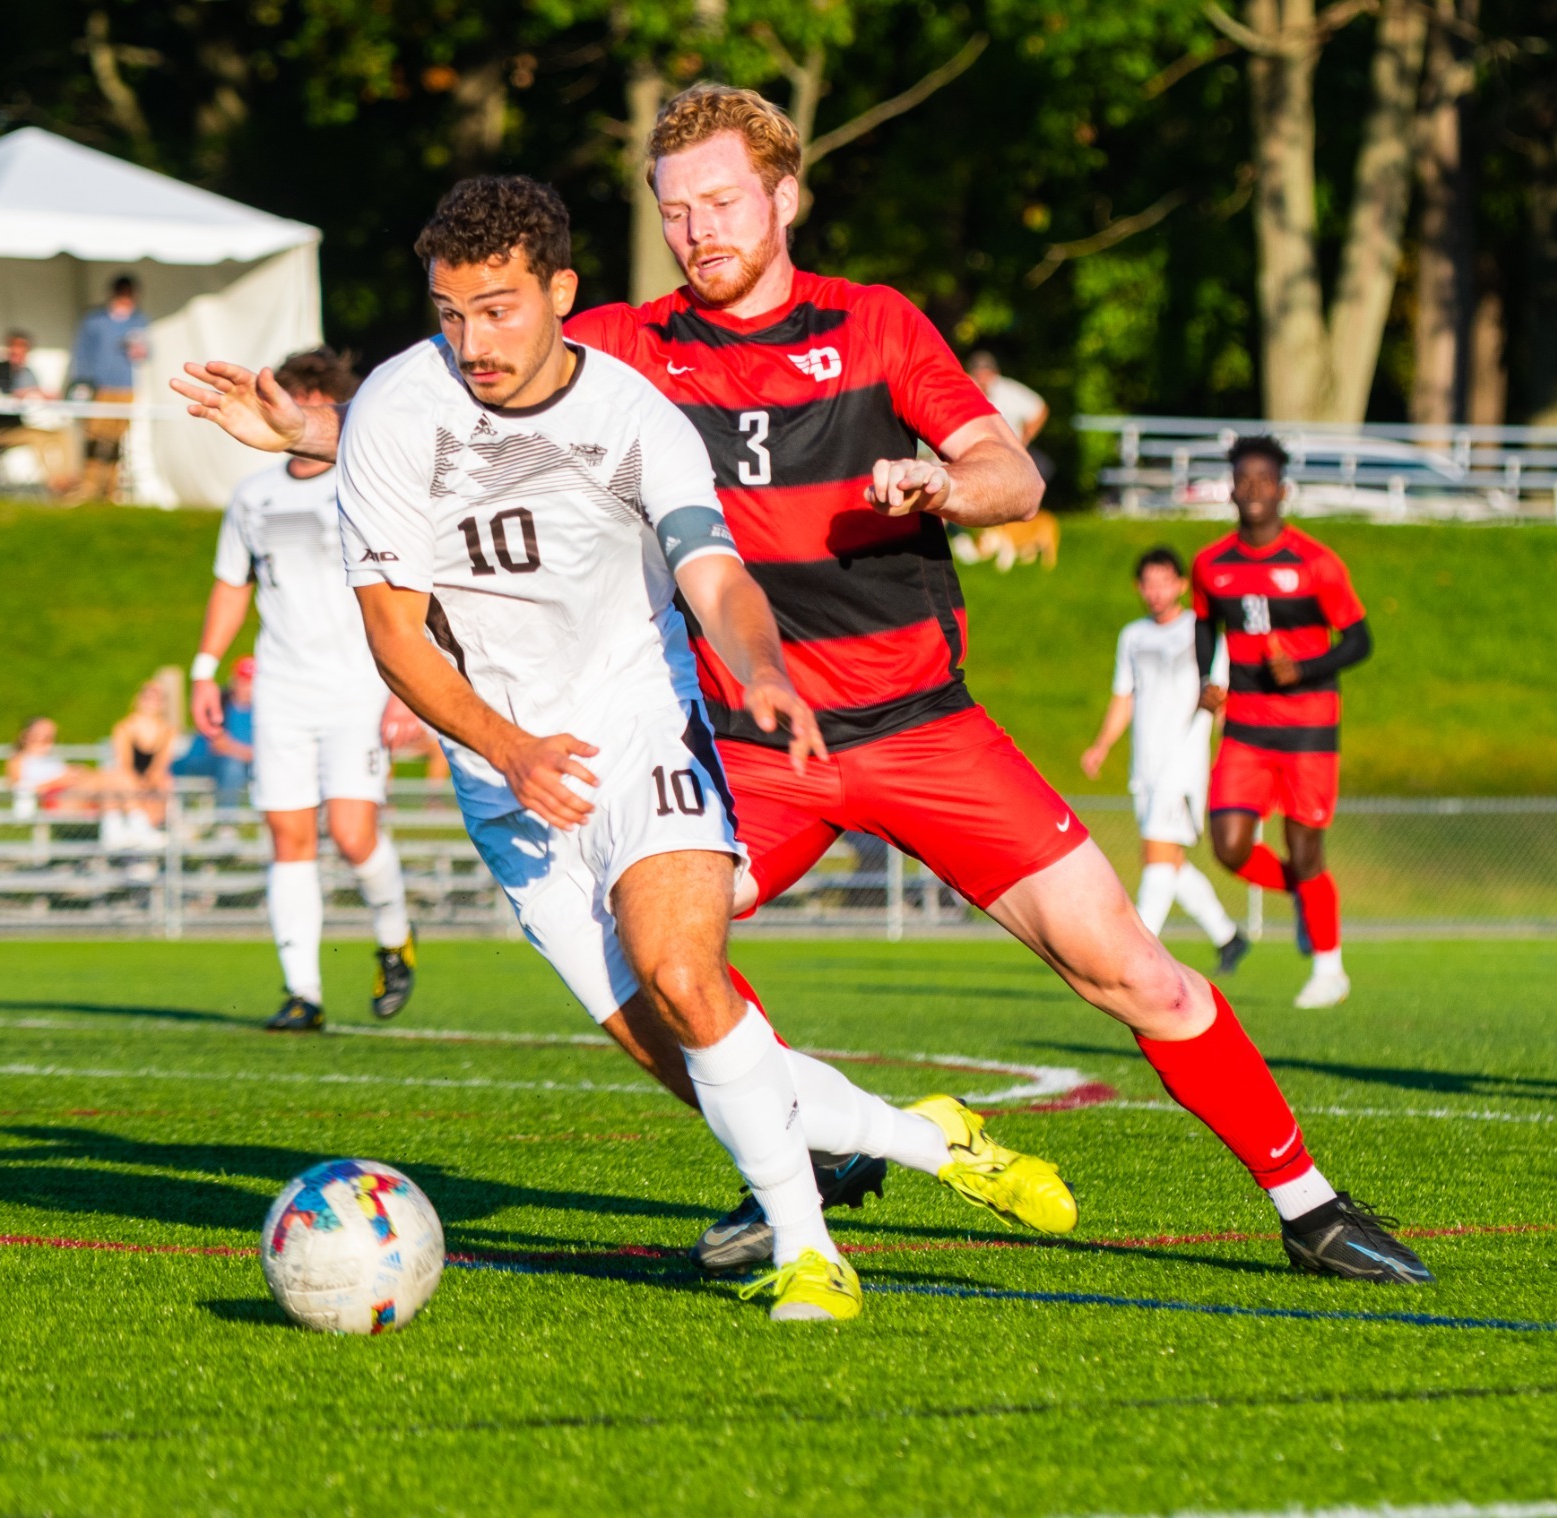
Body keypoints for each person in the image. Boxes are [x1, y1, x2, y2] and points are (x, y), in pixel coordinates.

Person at [172, 94, 1433, 1289]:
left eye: (719, 202)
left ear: (785, 199)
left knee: (1131, 972)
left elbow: (1011, 473)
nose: (694, 231)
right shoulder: (628, 344)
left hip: (919, 729)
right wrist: (299, 428)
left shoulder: (877, 324)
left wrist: (942, 484)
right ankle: (801, 1154)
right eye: (672, 209)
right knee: (656, 978)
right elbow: (470, 402)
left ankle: (1306, 1204)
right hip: (747, 746)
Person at [194, 174, 1089, 1325]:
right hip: (503, 777)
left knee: (683, 974)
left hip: (636, 732)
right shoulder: (394, 414)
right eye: (450, 311)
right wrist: (508, 750)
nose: (474, 340)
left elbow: (712, 572)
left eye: (501, 308)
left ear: (562, 292)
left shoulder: (630, 416)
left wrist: (760, 666)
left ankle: (808, 1250)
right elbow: (392, 635)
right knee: (686, 1050)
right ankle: (929, 1139)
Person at [191, 346, 419, 1030]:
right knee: (288, 837)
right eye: (292, 398)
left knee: (352, 836)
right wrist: (206, 666)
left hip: (358, 685)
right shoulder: (254, 495)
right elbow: (233, 583)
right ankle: (303, 992)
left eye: (318, 401)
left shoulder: (365, 479)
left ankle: (394, 936)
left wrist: (408, 685)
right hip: (282, 690)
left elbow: (410, 583)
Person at [1196, 435, 1373, 1011]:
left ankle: (1329, 969)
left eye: (1263, 480)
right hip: (1245, 725)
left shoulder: (1315, 562)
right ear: (1230, 489)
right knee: (1227, 847)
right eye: (1242, 479)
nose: (1252, 489)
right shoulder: (1211, 564)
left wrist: (1306, 669)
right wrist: (1207, 679)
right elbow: (1205, 627)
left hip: (1309, 727)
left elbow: (1361, 641)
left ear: (1282, 490)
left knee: (1304, 849)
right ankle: (1307, 897)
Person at [1082, 548, 1248, 969]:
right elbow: (1125, 696)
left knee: (1157, 854)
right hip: (1146, 765)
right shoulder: (1132, 636)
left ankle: (1138, 952)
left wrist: (1232, 756)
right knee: (1168, 859)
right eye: (1148, 583)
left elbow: (1221, 695)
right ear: (1140, 588)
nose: (1156, 591)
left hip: (1184, 758)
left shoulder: (1201, 630)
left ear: (1180, 584)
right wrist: (1102, 745)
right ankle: (1228, 936)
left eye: (1164, 581)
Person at [68, 276, 150, 503]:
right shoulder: (94, 320)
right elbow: (81, 354)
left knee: (116, 439)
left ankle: (111, 490)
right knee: (94, 436)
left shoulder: (138, 320)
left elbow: (148, 353)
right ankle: (89, 486)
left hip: (125, 388)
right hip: (99, 387)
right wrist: (83, 384)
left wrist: (140, 351)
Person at [0, 330, 75, 494]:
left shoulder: (27, 372)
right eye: (14, 350)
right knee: (36, 437)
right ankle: (54, 483)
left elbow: (34, 395)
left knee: (62, 434)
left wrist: (47, 396)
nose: (17, 355)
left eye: (22, 351)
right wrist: (23, 393)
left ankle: (67, 479)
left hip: (20, 428)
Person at [172, 656, 257, 812]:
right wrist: (254, 754)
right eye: (245, 681)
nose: (249, 688)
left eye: (253, 682)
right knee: (233, 766)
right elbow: (218, 745)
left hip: (247, 766)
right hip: (203, 761)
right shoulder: (219, 702)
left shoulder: (263, 710)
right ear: (234, 680)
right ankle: (225, 823)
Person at [107, 681, 175, 849]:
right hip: (128, 780)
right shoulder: (124, 728)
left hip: (152, 781)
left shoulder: (167, 730)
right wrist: (137, 785)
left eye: (157, 698)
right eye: (148, 697)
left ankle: (140, 836)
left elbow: (160, 765)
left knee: (164, 785)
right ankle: (140, 833)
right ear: (138, 699)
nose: (152, 702)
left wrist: (148, 782)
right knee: (120, 781)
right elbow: (125, 763)